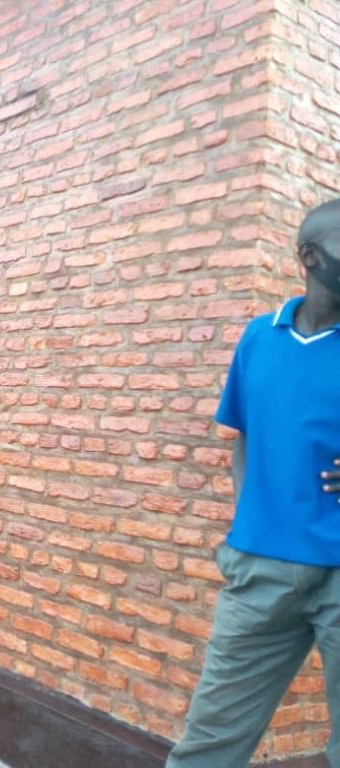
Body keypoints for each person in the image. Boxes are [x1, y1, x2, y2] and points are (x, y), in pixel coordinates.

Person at [168, 198, 340, 768]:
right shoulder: (259, 338)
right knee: (209, 744)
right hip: (261, 570)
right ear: (308, 256)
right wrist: (248, 519)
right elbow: (244, 434)